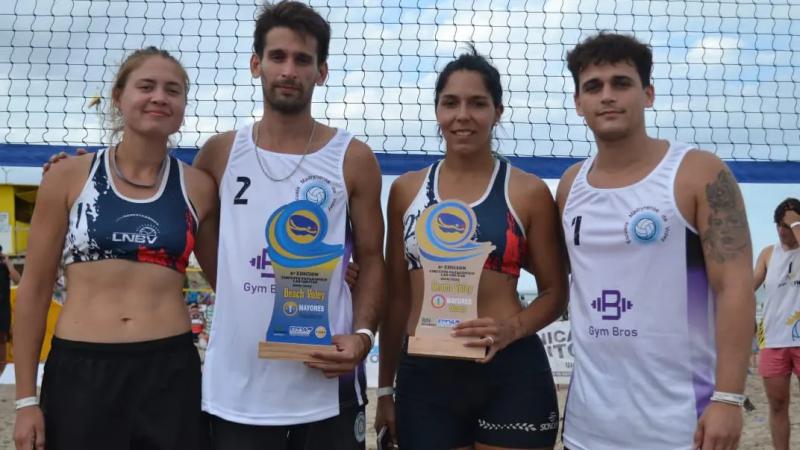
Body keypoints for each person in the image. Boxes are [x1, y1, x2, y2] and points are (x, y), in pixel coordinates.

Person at [193, 1, 385, 449]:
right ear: (256, 64)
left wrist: (361, 337)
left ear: (321, 72)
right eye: (277, 56)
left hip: (325, 384)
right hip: (235, 389)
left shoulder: (353, 159)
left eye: (303, 59)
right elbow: (192, 229)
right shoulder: (219, 154)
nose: (289, 69)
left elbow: (373, 258)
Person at [13, 47, 218, 450]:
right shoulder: (67, 177)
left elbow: (230, 279)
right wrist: (25, 401)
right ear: (119, 98)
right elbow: (34, 291)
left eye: (172, 90)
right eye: (146, 86)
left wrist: (332, 274)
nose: (159, 96)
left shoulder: (199, 187)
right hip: (81, 370)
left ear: (183, 106)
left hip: (169, 371)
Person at [556, 32, 754, 450]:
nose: (607, 96)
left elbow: (734, 287)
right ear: (578, 104)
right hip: (588, 427)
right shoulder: (570, 185)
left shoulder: (698, 172)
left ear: (648, 94)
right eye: (593, 87)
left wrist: (729, 398)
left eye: (621, 83)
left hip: (684, 424)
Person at [375, 48, 568, 450]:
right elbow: (396, 298)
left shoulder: (528, 191)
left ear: (497, 111)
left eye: (478, 103)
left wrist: (511, 329)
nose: (463, 115)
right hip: (425, 375)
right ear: (437, 111)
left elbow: (555, 293)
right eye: (451, 103)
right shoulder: (405, 191)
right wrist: (384, 391)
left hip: (509, 368)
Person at [753, 198, 800, 450]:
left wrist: (797, 224)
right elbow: (749, 286)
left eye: (787, 224)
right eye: (779, 224)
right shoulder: (768, 253)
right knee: (778, 405)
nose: (782, 230)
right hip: (773, 339)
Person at [0, 245, 22, 377]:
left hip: (2, 309)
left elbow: (18, 280)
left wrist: (9, 263)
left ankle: (1, 374)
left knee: (2, 340)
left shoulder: (4, 267)